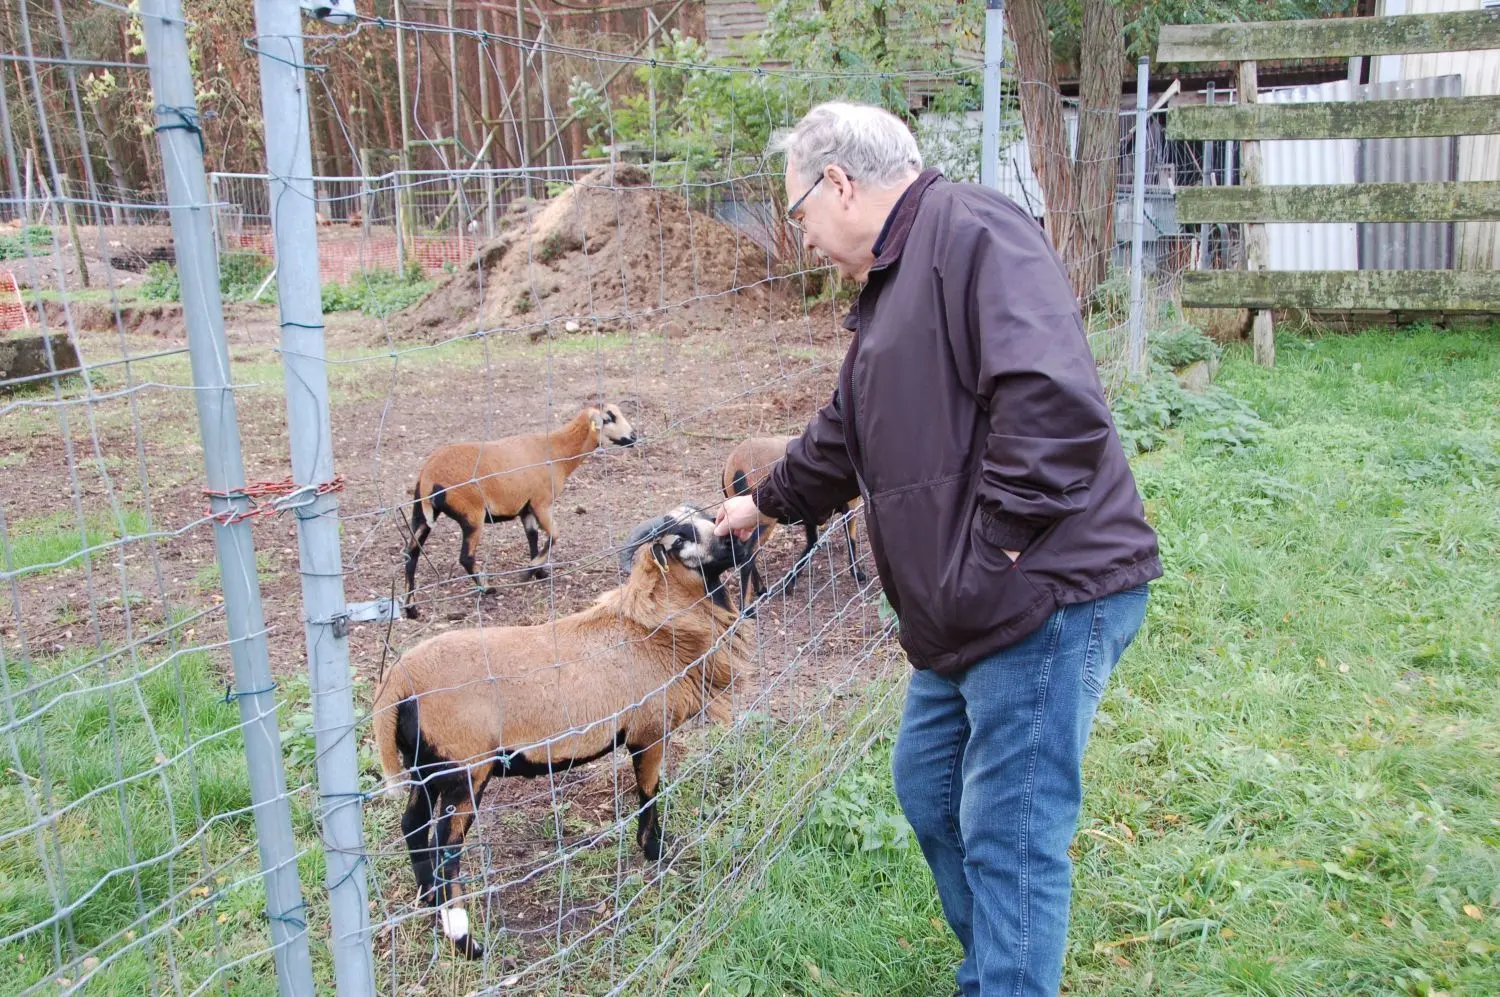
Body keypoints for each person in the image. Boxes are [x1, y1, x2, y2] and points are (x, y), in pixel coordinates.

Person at [714, 101, 1163, 995]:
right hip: (969, 605)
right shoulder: (892, 286)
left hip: (1039, 590)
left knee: (1010, 826)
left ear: (839, 182)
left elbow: (1052, 401)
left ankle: (1007, 979)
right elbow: (844, 434)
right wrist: (759, 505)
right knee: (928, 786)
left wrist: (993, 548)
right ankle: (996, 966)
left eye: (798, 210)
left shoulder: (972, 233)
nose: (800, 237)